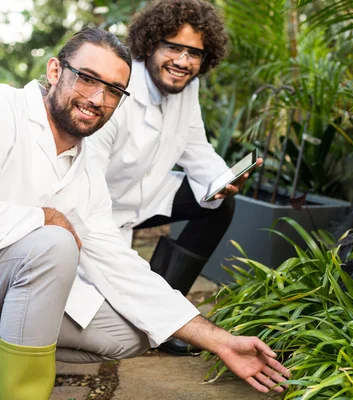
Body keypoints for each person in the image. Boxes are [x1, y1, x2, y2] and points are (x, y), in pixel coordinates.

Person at [0, 28, 288, 400]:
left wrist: (216, 339)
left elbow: (117, 264)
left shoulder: (87, 163)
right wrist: (49, 217)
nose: (97, 99)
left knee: (133, 332)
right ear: (55, 70)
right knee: (52, 242)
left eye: (113, 89)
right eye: (87, 78)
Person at [86, 0, 261, 356]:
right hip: (96, 209)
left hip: (145, 195)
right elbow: (85, 184)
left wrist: (221, 181)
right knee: (110, 318)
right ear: (149, 44)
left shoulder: (187, 88)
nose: (183, 62)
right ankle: (151, 312)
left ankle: (167, 318)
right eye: (174, 47)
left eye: (194, 52)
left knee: (220, 205)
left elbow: (196, 149)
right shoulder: (118, 84)